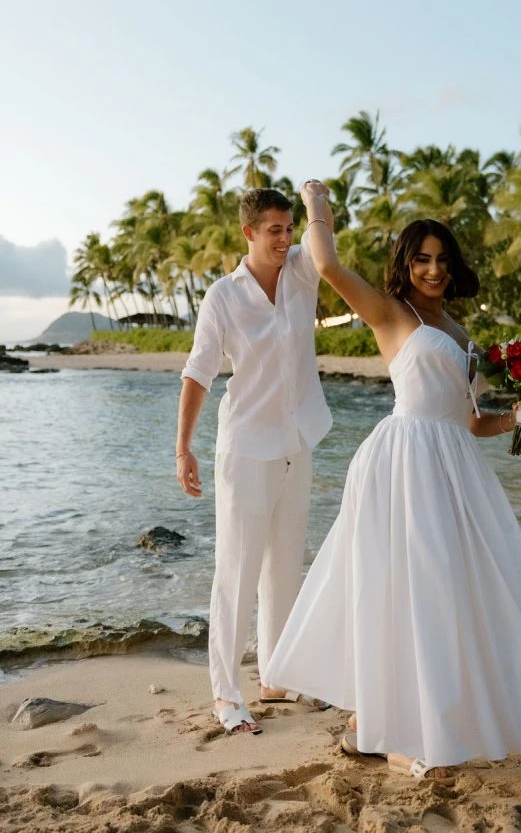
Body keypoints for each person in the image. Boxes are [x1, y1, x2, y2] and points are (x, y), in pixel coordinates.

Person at [265, 182, 521, 777]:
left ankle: (373, 725)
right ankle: (387, 723)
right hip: (405, 462)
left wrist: (516, 417)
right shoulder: (390, 312)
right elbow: (327, 263)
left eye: (442, 259)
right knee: (407, 589)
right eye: (422, 258)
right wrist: (316, 208)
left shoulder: (457, 328)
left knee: (460, 587)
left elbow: (466, 420)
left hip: (456, 463)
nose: (433, 269)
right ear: (406, 264)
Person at [176, 187, 333, 735]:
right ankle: (225, 695)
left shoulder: (301, 272)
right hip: (245, 446)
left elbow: (325, 246)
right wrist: (183, 449)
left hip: (297, 439)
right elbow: (198, 372)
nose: (286, 238)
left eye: (290, 228)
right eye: (274, 230)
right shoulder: (223, 296)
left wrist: (317, 202)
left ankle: (277, 676)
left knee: (285, 567)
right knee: (237, 574)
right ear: (248, 232)